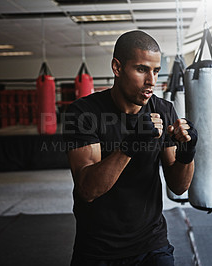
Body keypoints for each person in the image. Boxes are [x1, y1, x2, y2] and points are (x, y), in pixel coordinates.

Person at [63, 30, 198, 266]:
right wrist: (131, 144)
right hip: (98, 249)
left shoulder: (163, 110)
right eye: (142, 69)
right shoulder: (84, 113)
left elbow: (179, 186)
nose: (152, 81)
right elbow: (87, 190)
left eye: (155, 71)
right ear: (117, 68)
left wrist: (187, 154)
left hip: (152, 244)